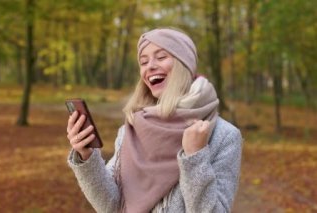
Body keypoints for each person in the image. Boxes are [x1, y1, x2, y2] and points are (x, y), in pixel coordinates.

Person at [66, 28, 242, 213]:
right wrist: (86, 155)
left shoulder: (224, 136)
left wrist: (195, 158)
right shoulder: (130, 130)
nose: (150, 66)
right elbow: (110, 206)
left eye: (161, 57)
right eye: (143, 61)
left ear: (184, 63)